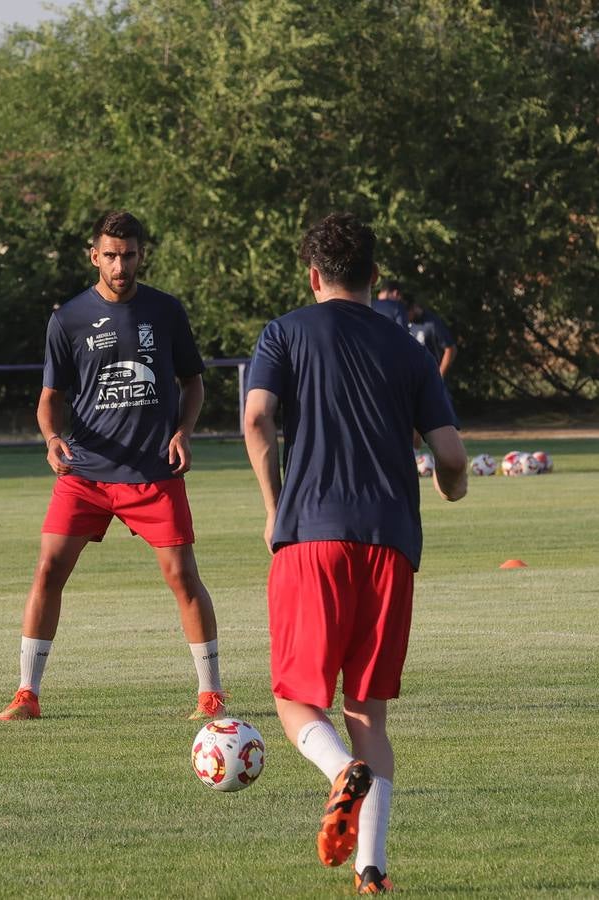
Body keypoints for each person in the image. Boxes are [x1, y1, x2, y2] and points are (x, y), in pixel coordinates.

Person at [243, 213, 467, 894]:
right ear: (375, 278)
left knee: (294, 700)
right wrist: (448, 484)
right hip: (391, 543)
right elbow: (452, 456)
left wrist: (272, 503)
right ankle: (372, 871)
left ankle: (340, 772)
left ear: (314, 276)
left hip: (311, 533)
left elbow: (256, 417)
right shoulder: (410, 351)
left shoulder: (284, 331)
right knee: (369, 711)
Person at [0, 211, 226, 723]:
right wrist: (53, 438)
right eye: (111, 255)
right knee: (48, 570)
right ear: (94, 255)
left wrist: (183, 431)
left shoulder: (166, 312)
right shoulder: (69, 318)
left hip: (154, 470)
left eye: (129, 255)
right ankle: (26, 695)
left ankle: (210, 694)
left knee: (182, 576)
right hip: (86, 472)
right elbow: (49, 398)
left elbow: (193, 382)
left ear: (142, 255)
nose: (120, 265)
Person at [405, 293, 458, 380]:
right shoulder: (406, 324)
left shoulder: (432, 323)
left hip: (430, 378)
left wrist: (439, 376)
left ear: (413, 308)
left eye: (406, 313)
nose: (404, 317)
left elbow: (451, 349)